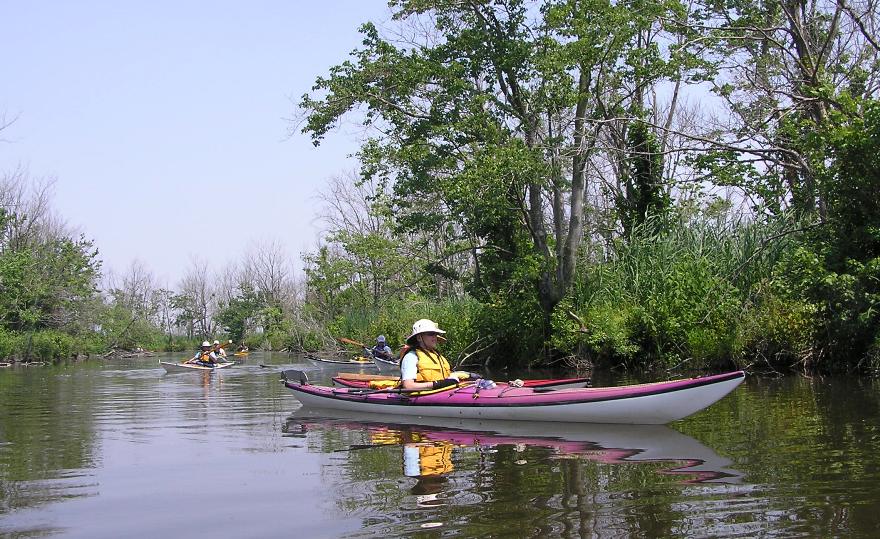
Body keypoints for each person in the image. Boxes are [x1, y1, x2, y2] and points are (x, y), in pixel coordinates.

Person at [399, 319, 459, 391]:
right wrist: (438, 384)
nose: (435, 337)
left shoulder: (436, 355)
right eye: (430, 334)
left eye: (435, 334)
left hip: (442, 392)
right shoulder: (411, 357)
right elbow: (408, 386)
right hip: (420, 397)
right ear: (419, 338)